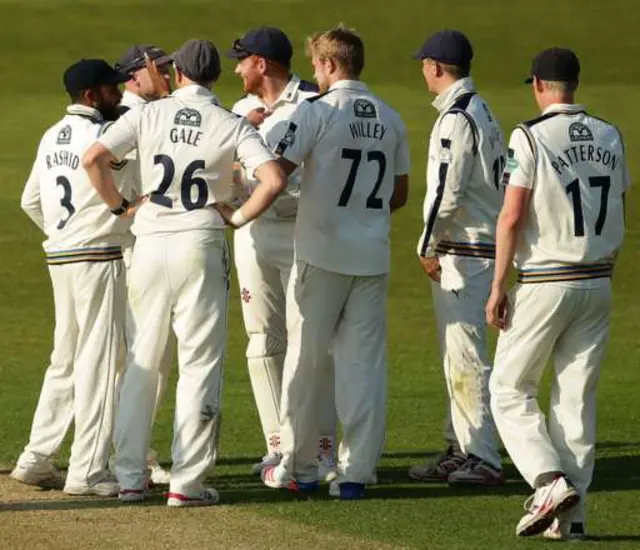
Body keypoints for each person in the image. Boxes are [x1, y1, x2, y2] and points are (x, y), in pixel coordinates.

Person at [83, 39, 287, 507]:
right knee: (199, 363)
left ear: (177, 75)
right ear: (216, 75)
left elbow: (93, 159)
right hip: (200, 241)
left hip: (151, 240)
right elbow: (273, 179)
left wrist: (119, 206)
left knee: (142, 361)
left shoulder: (146, 115)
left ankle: (130, 476)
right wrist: (235, 218)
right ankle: (187, 484)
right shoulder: (230, 122)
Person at [248, 26, 410, 499]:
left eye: (317, 65)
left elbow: (276, 172)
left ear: (330, 66)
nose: (314, 74)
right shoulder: (391, 116)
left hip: (320, 255)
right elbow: (397, 195)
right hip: (371, 257)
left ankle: (300, 468)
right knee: (363, 365)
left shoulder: (316, 111)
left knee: (306, 358)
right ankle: (356, 472)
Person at [486, 48, 629, 539]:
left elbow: (510, 215)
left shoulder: (528, 135)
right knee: (575, 400)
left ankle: (547, 481)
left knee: (508, 389)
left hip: (546, 281)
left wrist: (498, 285)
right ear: (573, 84)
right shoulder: (611, 134)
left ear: (539, 86)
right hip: (598, 280)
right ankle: (573, 518)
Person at [12, 59, 131, 496]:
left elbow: (30, 200)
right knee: (100, 360)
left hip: (61, 256)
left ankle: (37, 458)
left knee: (65, 358)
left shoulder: (50, 135)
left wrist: (63, 234)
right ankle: (89, 472)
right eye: (111, 89)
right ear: (89, 95)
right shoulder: (103, 137)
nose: (118, 94)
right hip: (98, 255)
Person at [226, 26, 337, 478]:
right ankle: (278, 445)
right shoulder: (236, 110)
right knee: (263, 340)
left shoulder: (313, 102)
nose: (235, 69)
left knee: (311, 341)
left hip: (300, 234)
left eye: (241, 60)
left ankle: (324, 449)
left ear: (261, 63)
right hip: (252, 233)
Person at [409, 30, 505, 486]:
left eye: (424, 64)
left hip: (465, 252)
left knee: (466, 356)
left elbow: (448, 191)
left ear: (436, 67)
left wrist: (426, 245)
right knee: (458, 354)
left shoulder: (456, 118)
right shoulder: (480, 109)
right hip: (479, 248)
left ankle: (483, 457)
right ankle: (460, 446)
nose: (422, 71)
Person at [110, 43, 174, 486]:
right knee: (146, 357)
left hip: (144, 247)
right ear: (135, 76)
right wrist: (123, 207)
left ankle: (131, 452)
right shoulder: (133, 117)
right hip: (138, 249)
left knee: (147, 355)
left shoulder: (144, 112)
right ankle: (135, 457)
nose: (169, 74)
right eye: (160, 68)